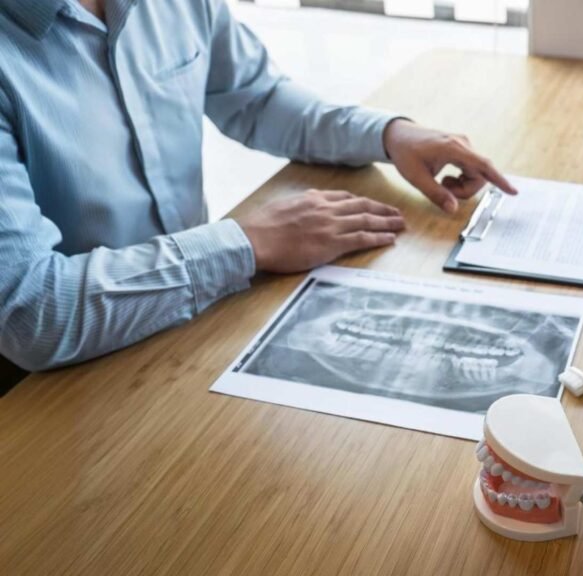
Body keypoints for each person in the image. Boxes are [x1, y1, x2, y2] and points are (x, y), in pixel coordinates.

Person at [0, 0, 515, 373]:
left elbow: (257, 98)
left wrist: (388, 134)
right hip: (60, 392)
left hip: (189, 336)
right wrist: (246, 243)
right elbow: (32, 313)